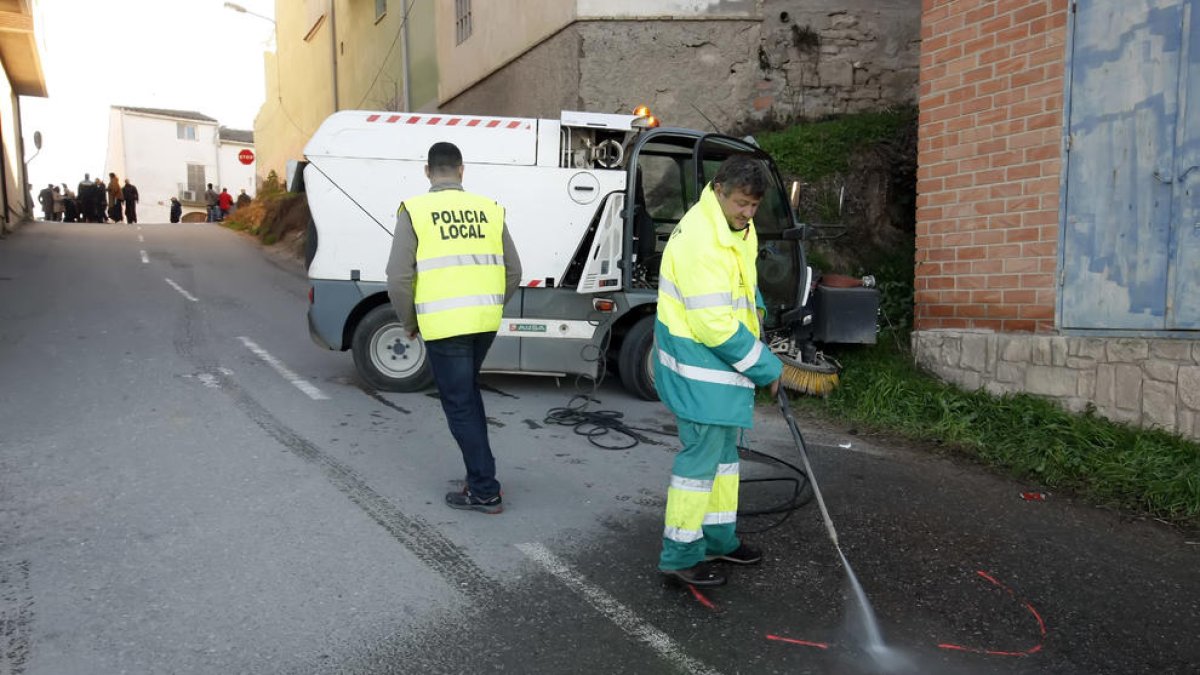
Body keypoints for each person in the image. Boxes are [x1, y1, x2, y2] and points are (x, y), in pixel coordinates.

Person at [653, 155, 783, 587]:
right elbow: (713, 325)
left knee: (725, 461)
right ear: (719, 189)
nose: (748, 214)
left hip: (720, 370)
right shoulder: (700, 242)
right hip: (698, 368)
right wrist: (766, 367)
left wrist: (759, 314)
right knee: (700, 464)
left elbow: (744, 283)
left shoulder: (735, 226)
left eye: (754, 206)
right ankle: (680, 556)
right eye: (742, 204)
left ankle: (718, 539)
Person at [385, 141, 522, 515]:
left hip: (444, 326)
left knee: (460, 403)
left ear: (427, 172)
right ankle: (481, 476)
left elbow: (397, 278)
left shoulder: (415, 210)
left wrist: (410, 322)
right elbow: (514, 271)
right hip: (483, 324)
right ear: (462, 170)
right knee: (468, 396)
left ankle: (483, 489)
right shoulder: (489, 209)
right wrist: (490, 305)